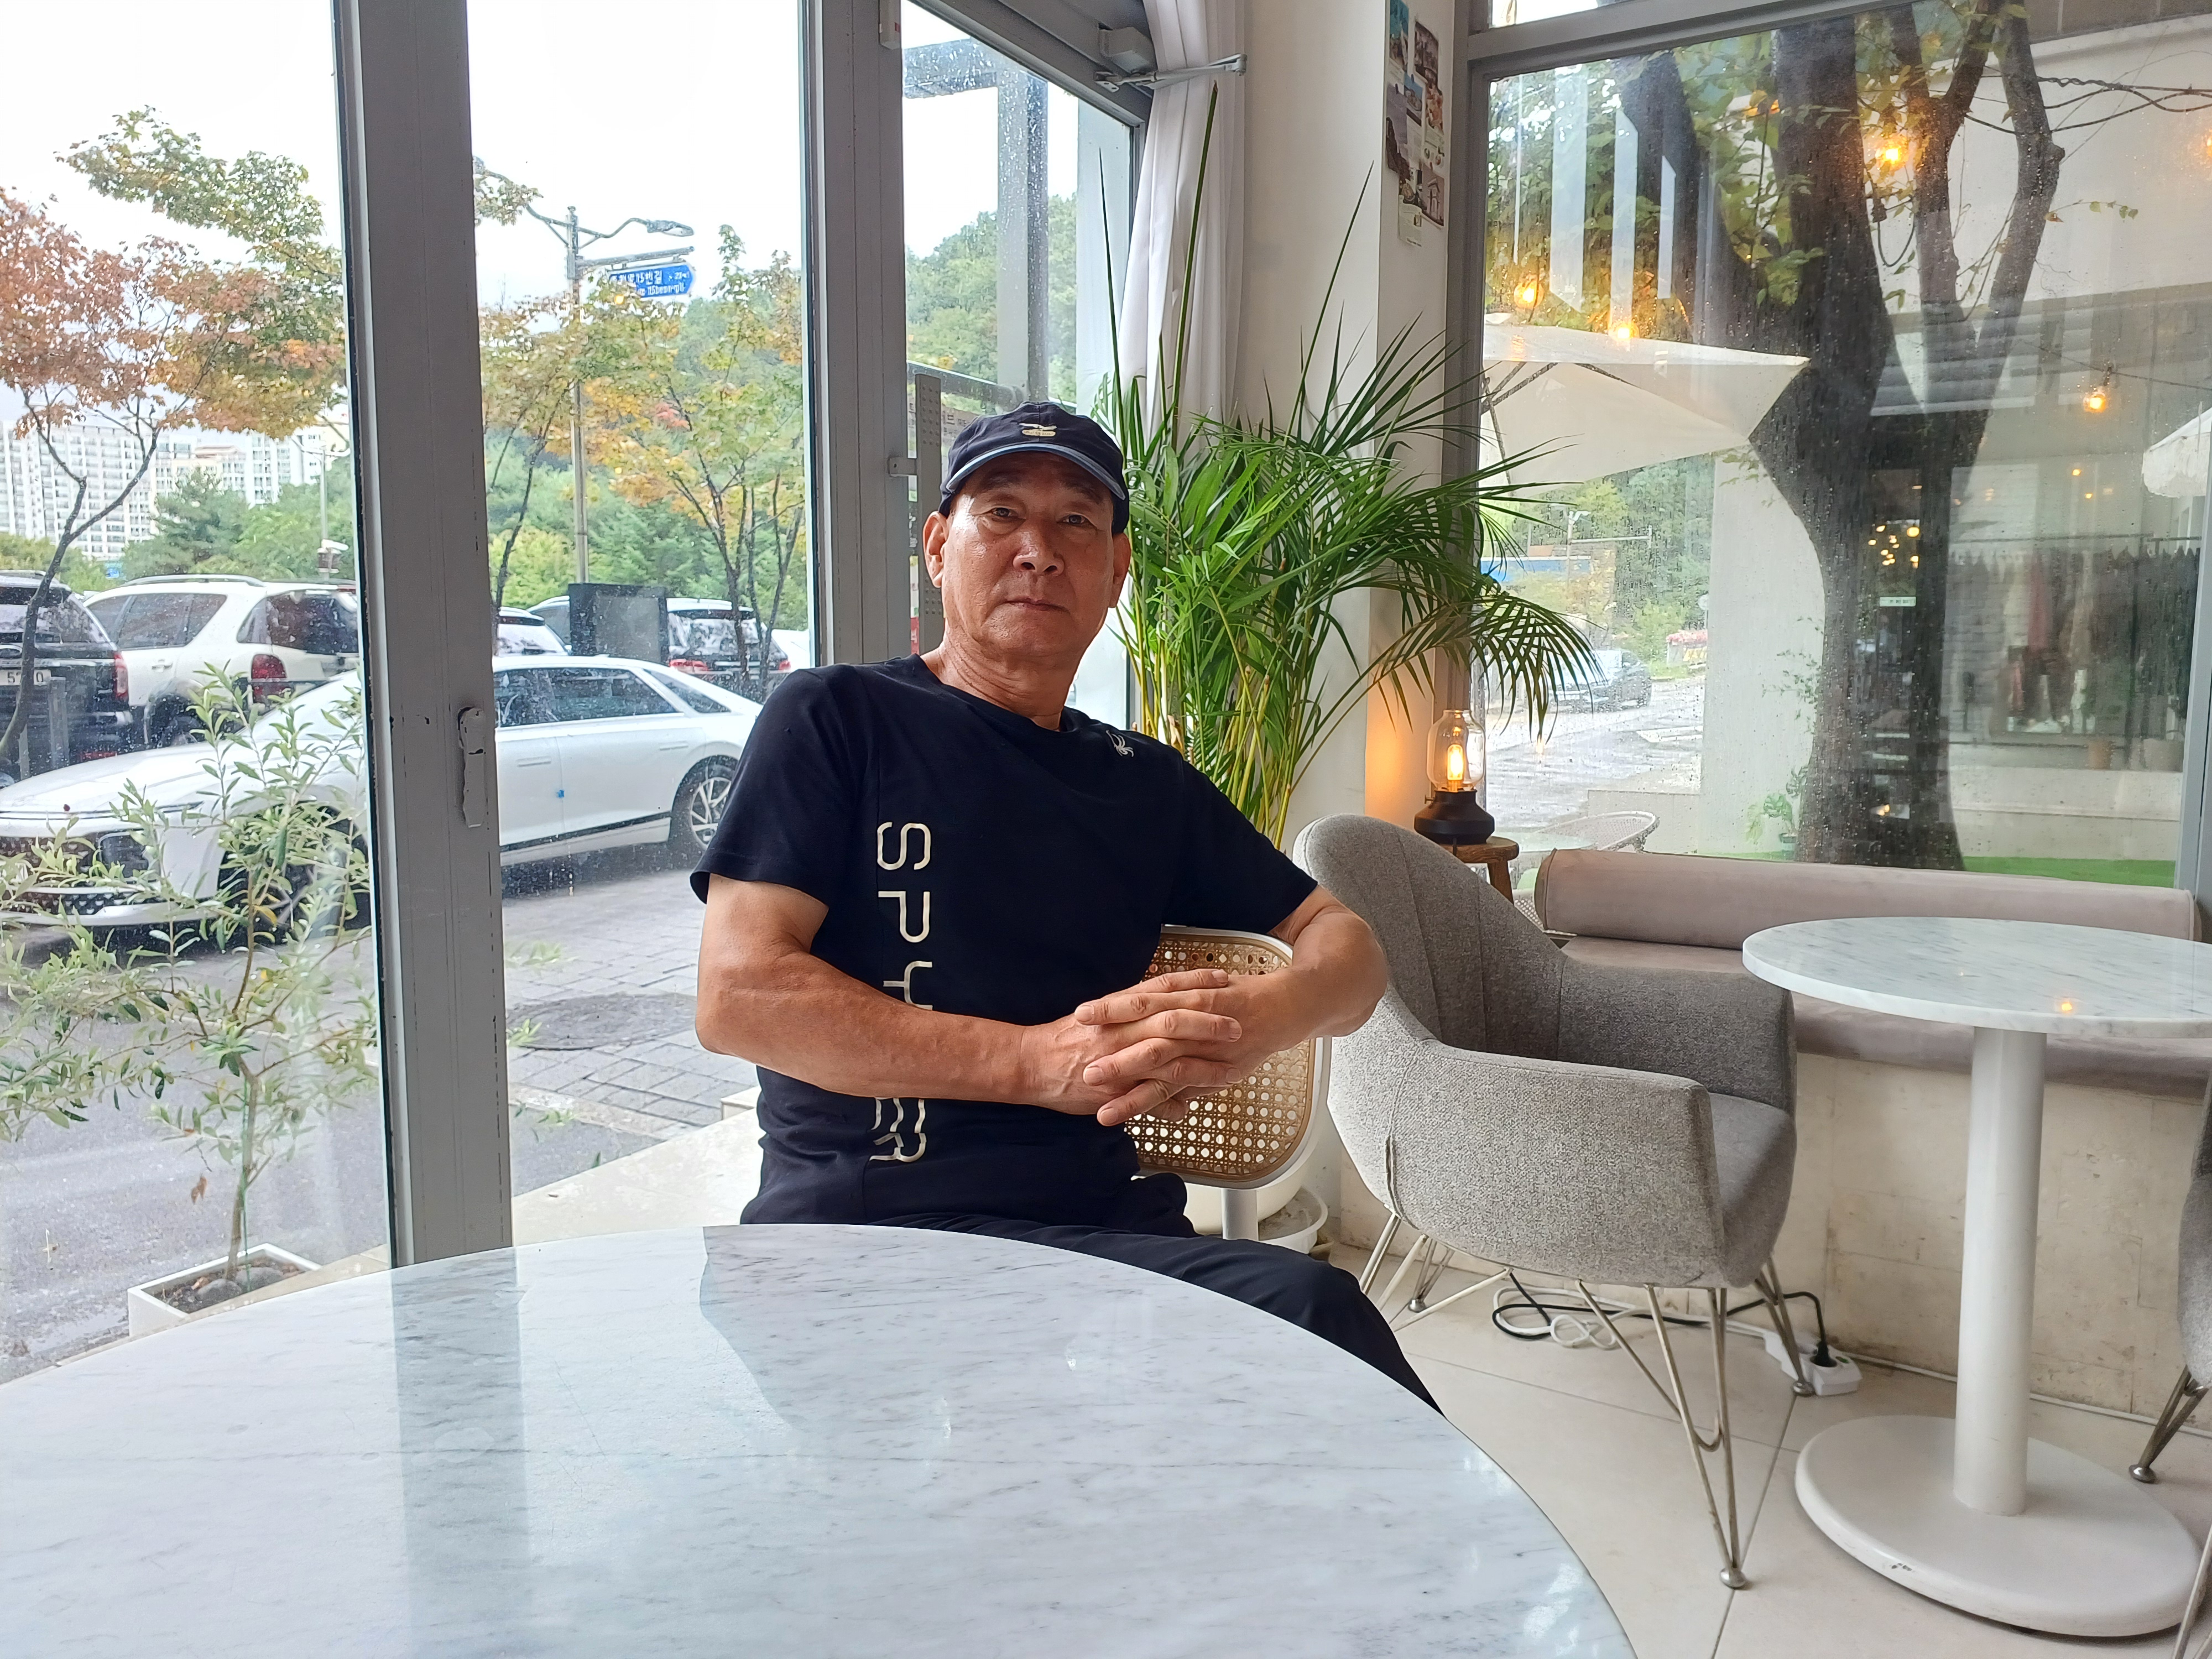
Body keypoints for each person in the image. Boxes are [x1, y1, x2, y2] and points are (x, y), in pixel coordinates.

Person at [692, 401, 1431, 1404]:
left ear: (1116, 572)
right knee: (1299, 1327)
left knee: (1311, 1325)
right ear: (938, 547)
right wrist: (1034, 1063)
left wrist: (1271, 1013)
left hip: (1099, 1230)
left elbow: (1350, 951)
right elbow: (740, 997)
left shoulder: (1142, 783)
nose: (1038, 550)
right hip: (865, 1237)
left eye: (1076, 522)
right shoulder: (838, 719)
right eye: (1002, 513)